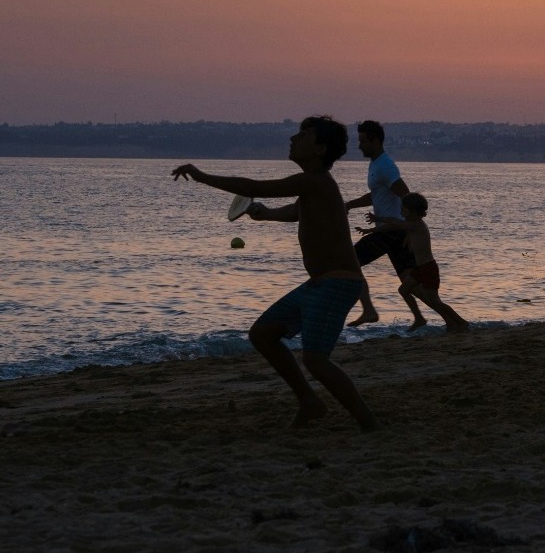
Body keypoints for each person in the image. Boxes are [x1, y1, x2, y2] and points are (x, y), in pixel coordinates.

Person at [171, 116, 379, 431]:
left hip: (338, 283)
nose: (293, 138)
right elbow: (298, 211)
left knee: (315, 359)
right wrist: (267, 216)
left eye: (303, 135)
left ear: (320, 149)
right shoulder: (313, 186)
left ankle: (368, 423)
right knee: (262, 335)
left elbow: (253, 187)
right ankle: (309, 401)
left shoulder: (315, 181)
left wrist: (201, 176)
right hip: (317, 285)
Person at [343, 121, 424, 330]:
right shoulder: (376, 164)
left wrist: (410, 228)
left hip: (391, 231)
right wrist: (351, 204)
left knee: (350, 263)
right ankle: (435, 317)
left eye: (363, 141)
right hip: (394, 230)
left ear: (375, 141)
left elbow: (406, 195)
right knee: (409, 280)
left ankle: (369, 310)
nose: (359, 145)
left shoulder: (385, 165)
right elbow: (377, 195)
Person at [356, 193, 470, 332]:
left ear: (413, 212)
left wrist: (374, 225)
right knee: (403, 290)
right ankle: (420, 318)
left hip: (428, 268)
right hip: (420, 268)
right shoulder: (412, 225)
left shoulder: (417, 225)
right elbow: (394, 222)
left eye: (403, 210)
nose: (401, 212)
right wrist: (372, 227)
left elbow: (394, 224)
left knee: (435, 301)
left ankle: (461, 322)